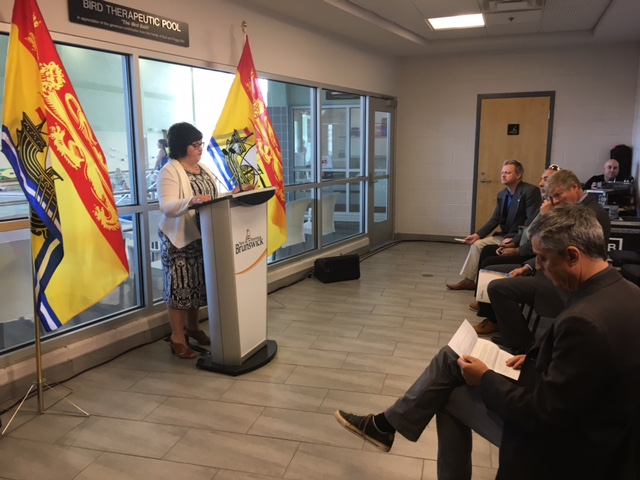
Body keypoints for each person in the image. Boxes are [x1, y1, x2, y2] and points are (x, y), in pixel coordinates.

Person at [336, 204, 640, 479]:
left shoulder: (584, 322)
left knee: (447, 395)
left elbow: (543, 415)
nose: (539, 267)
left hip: (568, 450)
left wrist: (485, 379)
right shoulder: (627, 293)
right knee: (451, 364)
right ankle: (385, 426)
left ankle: (385, 426)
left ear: (573, 255)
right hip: (600, 425)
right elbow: (587, 372)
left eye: (544, 258)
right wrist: (535, 358)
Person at [471, 169, 611, 348]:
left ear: (575, 187)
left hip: (564, 281)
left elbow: (553, 245)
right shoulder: (576, 209)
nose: (556, 201)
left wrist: (548, 217)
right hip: (549, 270)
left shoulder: (590, 213)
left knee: (498, 287)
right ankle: (504, 328)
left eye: (559, 195)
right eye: (552, 197)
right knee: (491, 271)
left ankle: (520, 343)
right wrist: (528, 267)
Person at [156, 122, 217, 359]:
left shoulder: (203, 169)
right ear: (183, 146)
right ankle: (177, 338)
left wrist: (236, 193)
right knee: (180, 289)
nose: (200, 148)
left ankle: (193, 328)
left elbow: (211, 198)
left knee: (196, 286)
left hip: (204, 236)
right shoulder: (169, 171)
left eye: (201, 143)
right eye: (195, 144)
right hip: (179, 239)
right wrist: (190, 202)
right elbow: (167, 207)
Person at [446, 160, 541, 291]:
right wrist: (477, 235)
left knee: (485, 251)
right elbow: (495, 219)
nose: (503, 175)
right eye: (502, 172)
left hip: (520, 238)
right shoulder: (502, 194)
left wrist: (515, 240)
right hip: (504, 236)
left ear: (519, 175)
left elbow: (530, 222)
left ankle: (481, 284)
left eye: (508, 173)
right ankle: (469, 281)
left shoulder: (530, 191)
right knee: (477, 244)